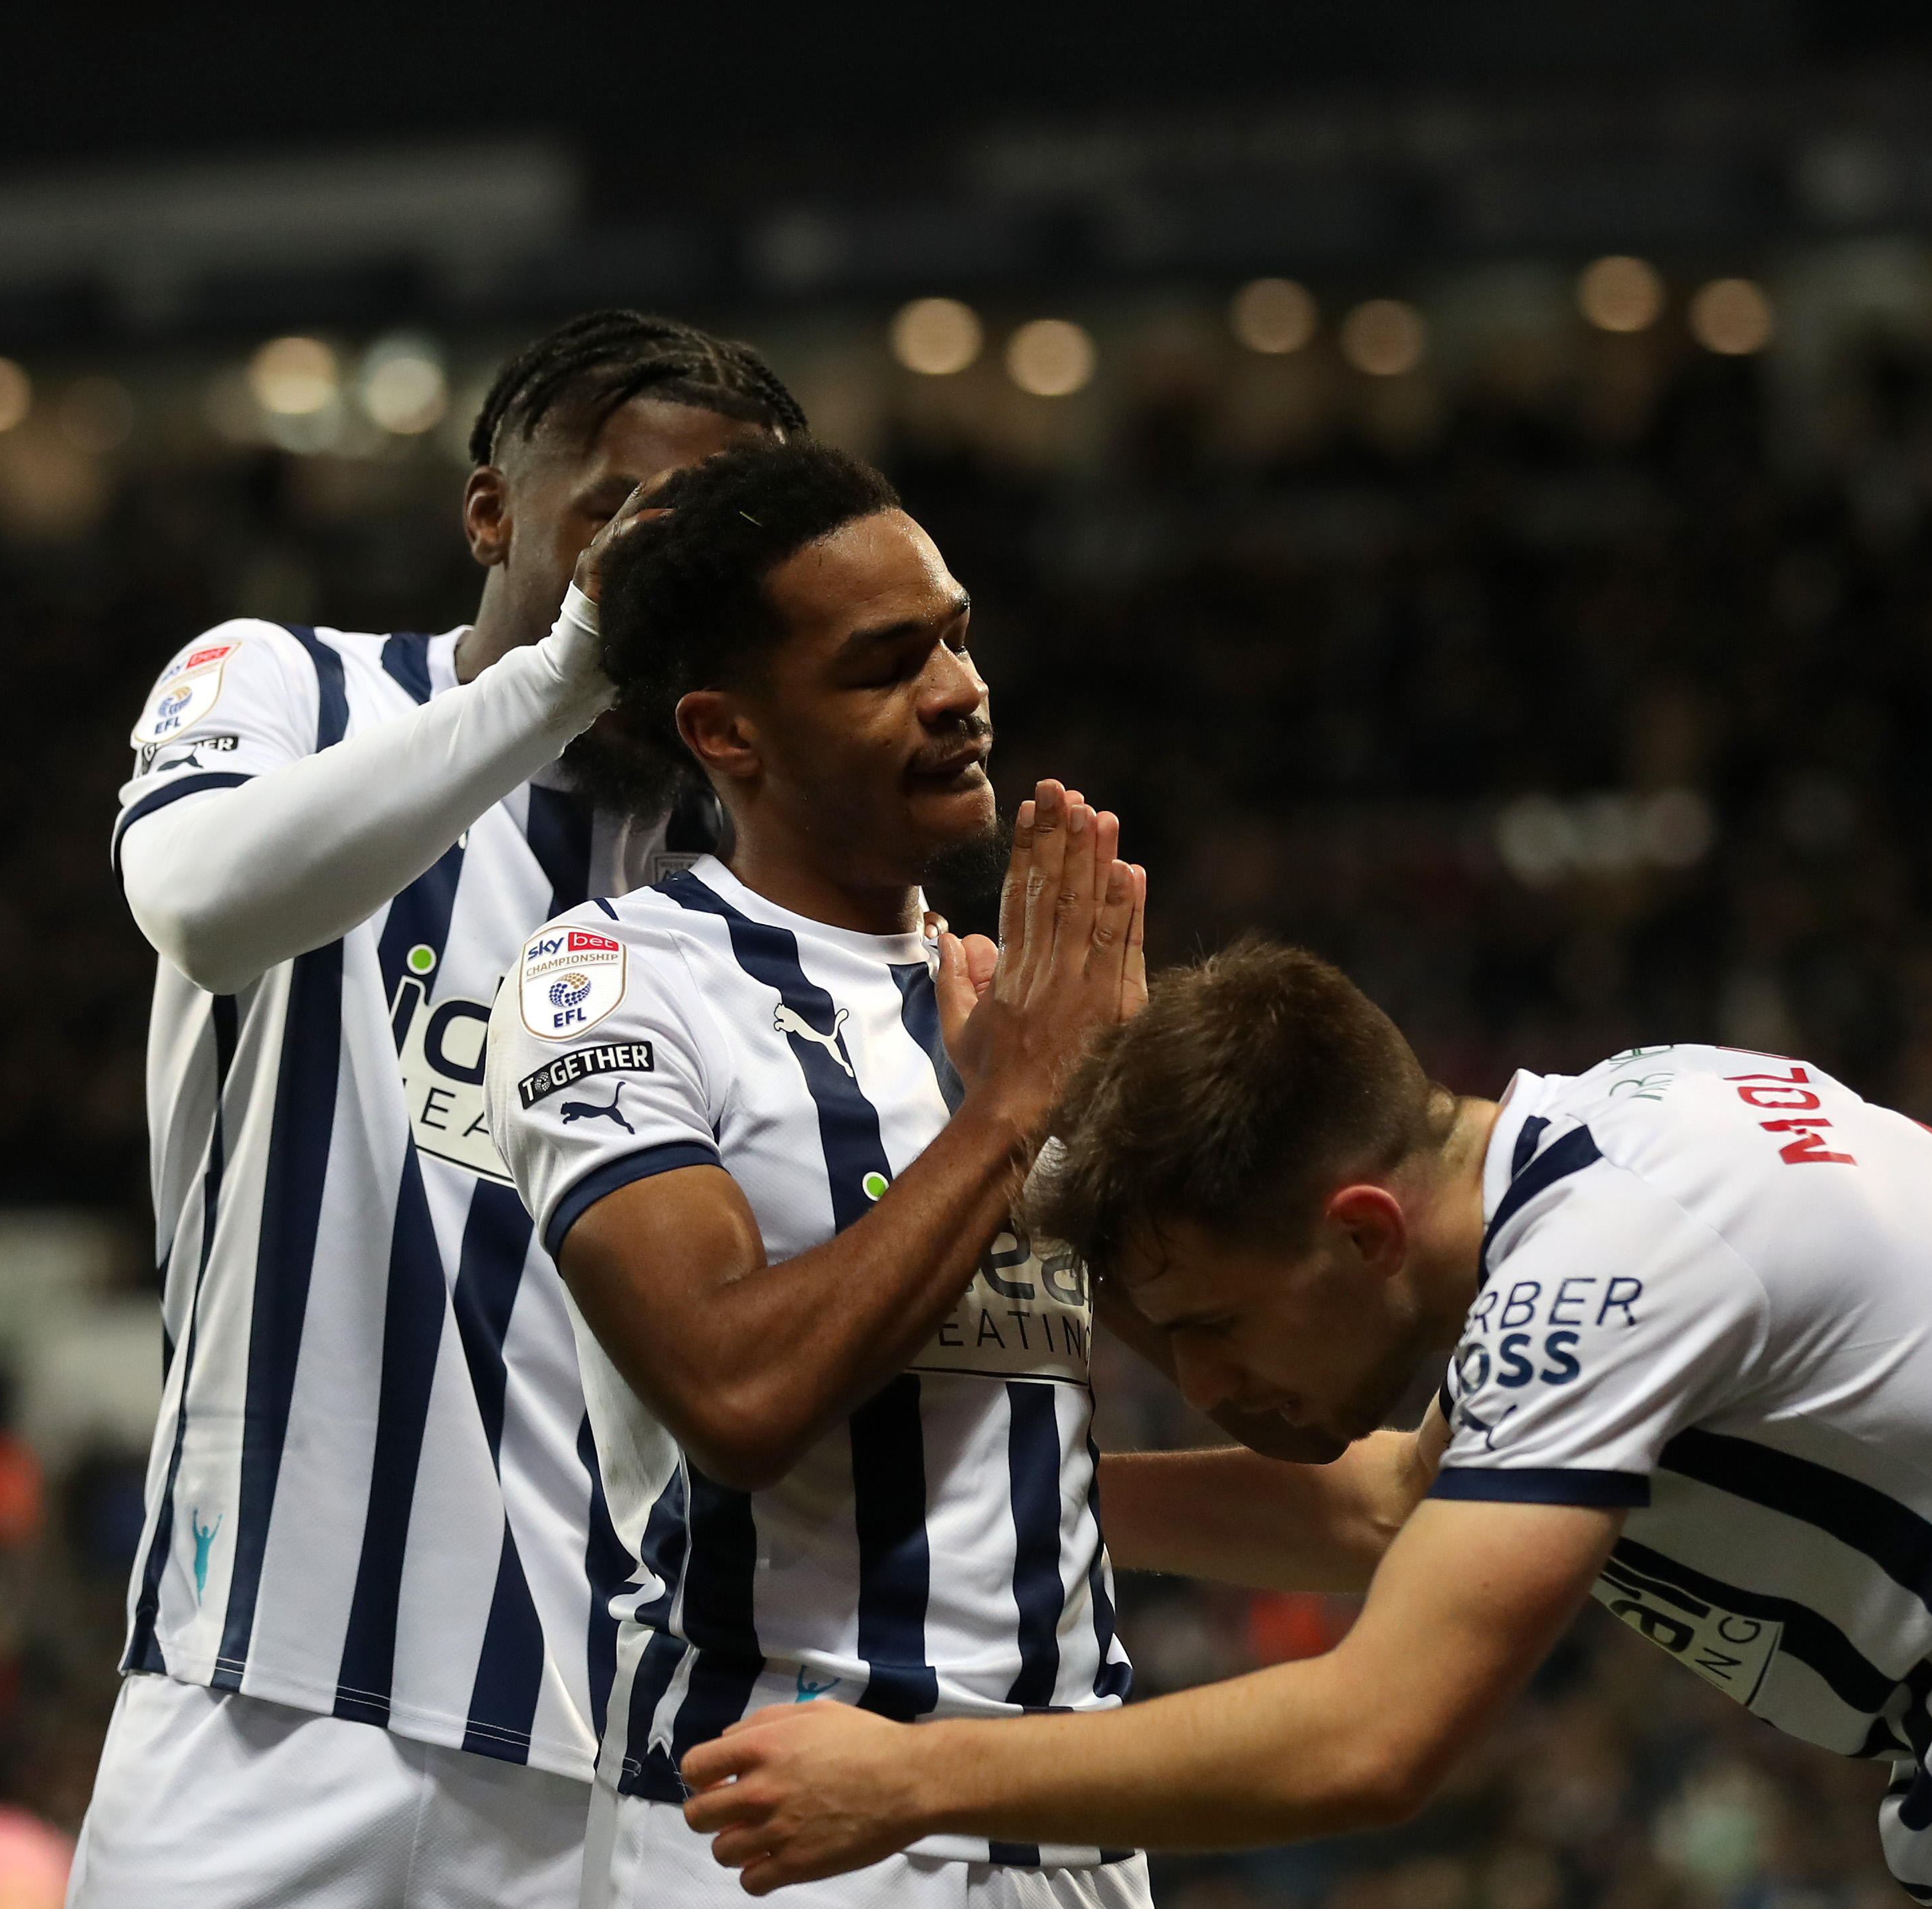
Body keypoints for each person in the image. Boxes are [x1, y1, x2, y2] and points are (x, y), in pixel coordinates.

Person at [679, 942, 1932, 1908]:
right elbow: (1384, 1516)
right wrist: (1010, 1479)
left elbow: (1377, 1735)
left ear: (1360, 1227)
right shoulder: (1609, 1151)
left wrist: (913, 1773)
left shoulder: (1615, 1259)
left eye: (1211, 1328)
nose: (1212, 1384)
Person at [485, 442, 1429, 1909]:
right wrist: (1014, 1104)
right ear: (726, 731)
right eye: (882, 664)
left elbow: (1300, 1414)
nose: (956, 690)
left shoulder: (1018, 1001)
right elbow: (734, 1398)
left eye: (956, 635)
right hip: (772, 1838)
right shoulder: (608, 983)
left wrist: (1095, 1121)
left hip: (1068, 1836)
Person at [72, 312, 804, 1909]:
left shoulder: (741, 877)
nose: (655, 578)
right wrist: (563, 671)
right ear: (492, 514)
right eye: (612, 513)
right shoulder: (281, 682)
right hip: (255, 1694)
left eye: (710, 550)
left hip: (617, 1753)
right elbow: (202, 902)